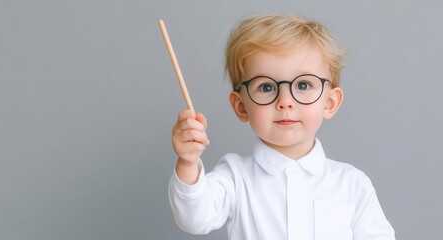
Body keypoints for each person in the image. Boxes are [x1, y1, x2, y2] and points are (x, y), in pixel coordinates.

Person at [168, 13, 395, 240]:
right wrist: (187, 162)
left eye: (303, 84)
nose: (285, 101)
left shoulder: (352, 184)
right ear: (241, 106)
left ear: (330, 102)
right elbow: (195, 218)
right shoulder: (235, 177)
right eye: (266, 87)